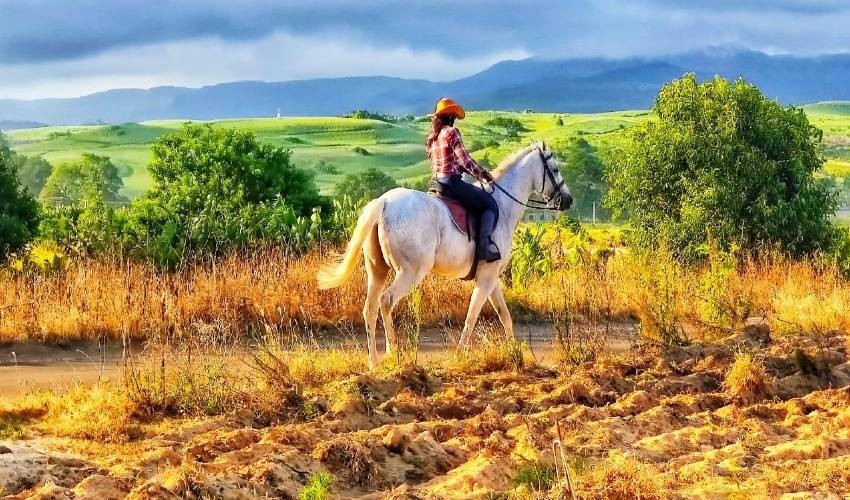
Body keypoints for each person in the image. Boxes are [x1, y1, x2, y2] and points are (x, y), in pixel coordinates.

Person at [426, 98, 501, 262]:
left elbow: (442, 162)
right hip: (450, 182)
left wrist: (458, 168)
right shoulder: (452, 133)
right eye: (454, 117)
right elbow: (465, 160)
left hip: (435, 181)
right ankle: (483, 249)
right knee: (489, 204)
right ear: (451, 117)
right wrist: (482, 174)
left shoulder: (432, 136)